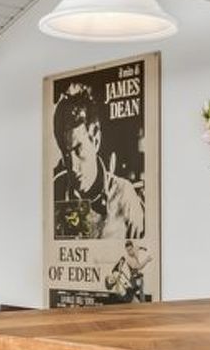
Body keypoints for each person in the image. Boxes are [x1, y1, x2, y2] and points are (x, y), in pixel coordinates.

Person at [51, 81, 146, 240]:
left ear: (95, 140)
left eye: (78, 149)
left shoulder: (125, 197)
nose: (73, 166)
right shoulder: (56, 190)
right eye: (66, 154)